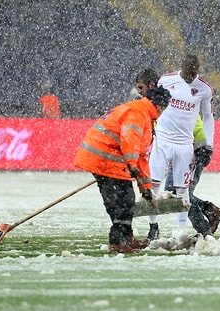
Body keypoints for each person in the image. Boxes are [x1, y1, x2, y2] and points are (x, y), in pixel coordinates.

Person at [73, 85, 171, 254]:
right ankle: (117, 243)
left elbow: (141, 157)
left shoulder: (145, 114)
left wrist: (145, 188)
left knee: (121, 201)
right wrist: (131, 163)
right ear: (160, 106)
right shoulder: (138, 113)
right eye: (164, 108)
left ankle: (126, 238)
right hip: (105, 159)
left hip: (107, 159)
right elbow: (130, 140)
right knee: (123, 201)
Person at [147, 54, 215, 239]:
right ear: (182, 68)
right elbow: (154, 107)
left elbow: (208, 117)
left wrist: (209, 145)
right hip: (163, 141)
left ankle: (181, 232)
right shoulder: (167, 80)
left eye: (194, 74)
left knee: (182, 190)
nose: (190, 77)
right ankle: (153, 227)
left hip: (185, 146)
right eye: (187, 73)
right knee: (154, 185)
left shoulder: (204, 89)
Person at [163, 115, 220, 237]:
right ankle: (210, 212)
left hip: (192, 150)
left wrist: (205, 149)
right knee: (175, 191)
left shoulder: (173, 105)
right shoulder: (176, 104)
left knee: (176, 192)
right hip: (187, 150)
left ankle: (204, 228)